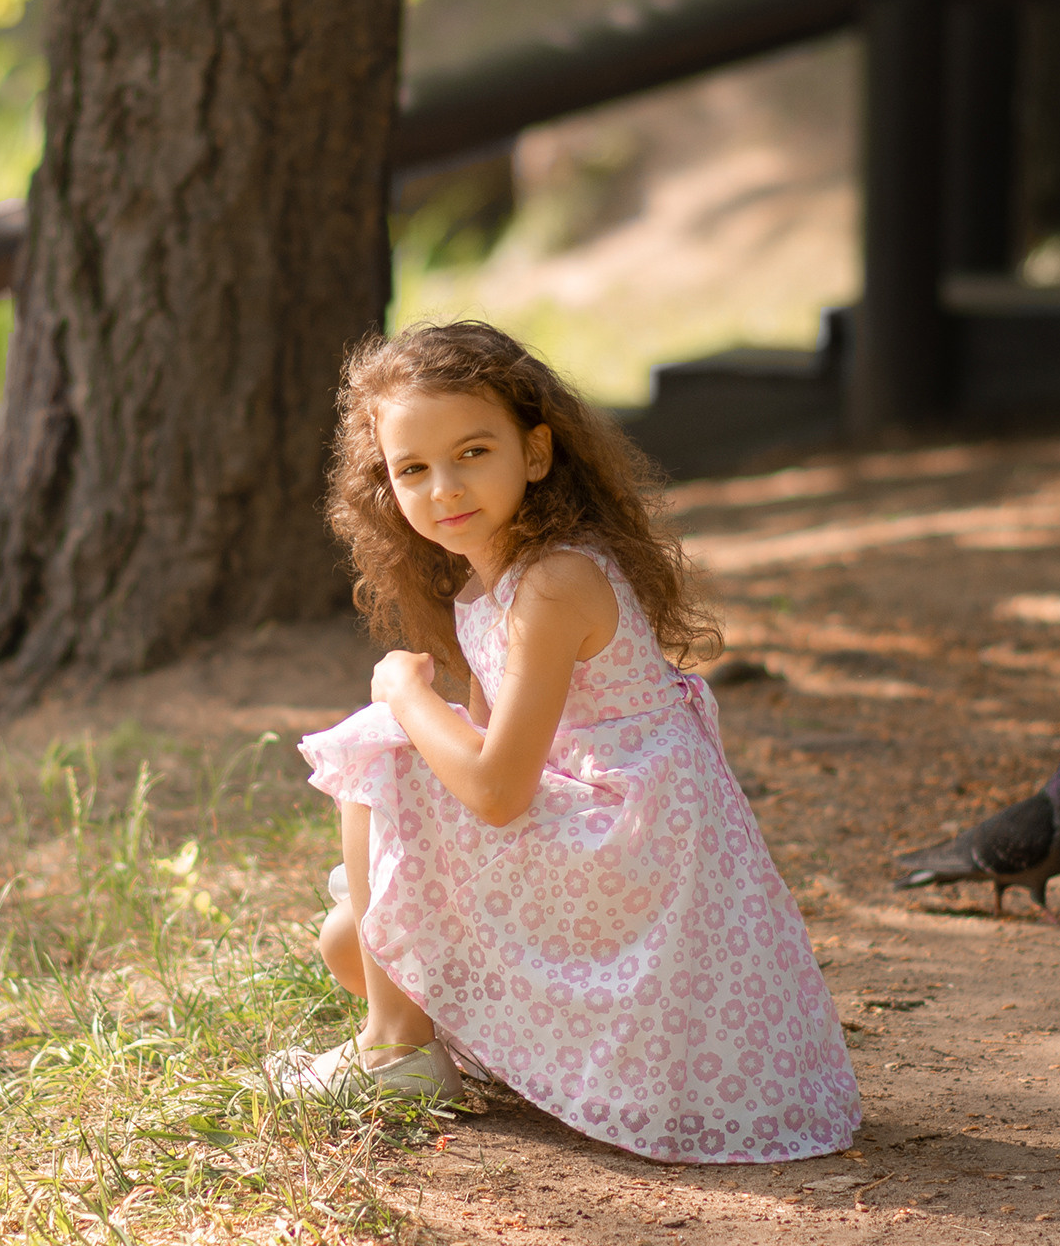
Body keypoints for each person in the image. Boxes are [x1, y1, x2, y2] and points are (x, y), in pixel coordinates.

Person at [273, 321, 861, 1164]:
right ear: (387, 487)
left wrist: (403, 695)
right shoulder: (489, 584)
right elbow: (490, 759)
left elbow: (496, 790)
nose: (444, 487)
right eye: (413, 469)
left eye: (473, 451)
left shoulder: (554, 583)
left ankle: (396, 1053)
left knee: (384, 746)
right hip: (604, 839)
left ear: (538, 453)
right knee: (353, 938)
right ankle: (411, 1030)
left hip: (635, 852)